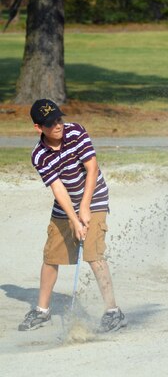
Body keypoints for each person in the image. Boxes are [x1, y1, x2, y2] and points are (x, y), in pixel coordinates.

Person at [18, 99, 127, 332]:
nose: (58, 125)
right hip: (64, 205)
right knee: (50, 257)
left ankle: (113, 311)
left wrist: (85, 208)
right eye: (51, 123)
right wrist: (74, 218)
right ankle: (42, 311)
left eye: (59, 119)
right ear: (39, 128)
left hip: (94, 197)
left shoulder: (76, 132)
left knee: (93, 254)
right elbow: (58, 189)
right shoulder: (39, 156)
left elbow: (92, 168)